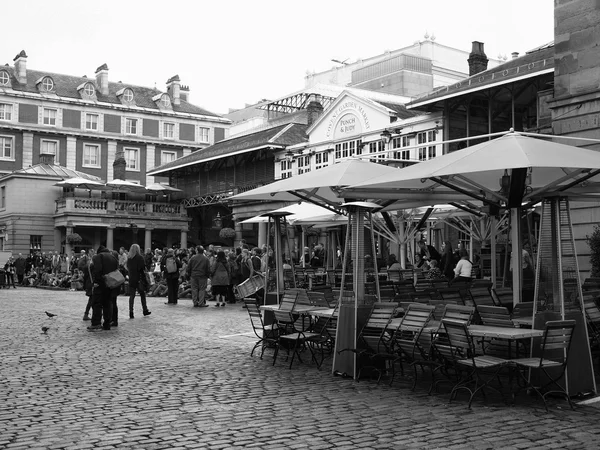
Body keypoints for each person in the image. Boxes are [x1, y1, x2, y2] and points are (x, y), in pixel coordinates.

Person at [88, 245, 119, 331]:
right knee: (108, 303)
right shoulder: (113, 257)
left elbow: (98, 269)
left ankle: (96, 323)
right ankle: (107, 324)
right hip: (111, 283)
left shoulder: (98, 256)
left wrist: (96, 281)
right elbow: (117, 269)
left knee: (97, 303)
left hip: (101, 283)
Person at [127, 243, 151, 319]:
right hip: (139, 278)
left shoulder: (129, 258)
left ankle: (131, 312)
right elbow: (142, 268)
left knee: (132, 296)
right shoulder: (139, 257)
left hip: (131, 278)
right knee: (142, 295)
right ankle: (145, 309)